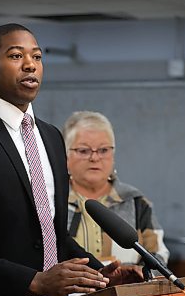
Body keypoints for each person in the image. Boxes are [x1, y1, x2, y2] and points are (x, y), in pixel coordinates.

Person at [0, 23, 143, 296]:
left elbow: (49, 233)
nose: (30, 65)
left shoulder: (51, 136)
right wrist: (34, 281)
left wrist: (100, 275)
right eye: (16, 56)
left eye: (37, 57)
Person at [63, 111, 170, 265]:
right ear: (66, 155)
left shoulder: (135, 202)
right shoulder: (51, 201)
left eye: (103, 150)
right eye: (83, 151)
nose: (94, 158)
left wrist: (138, 277)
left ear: (113, 154)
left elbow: (158, 254)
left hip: (127, 287)